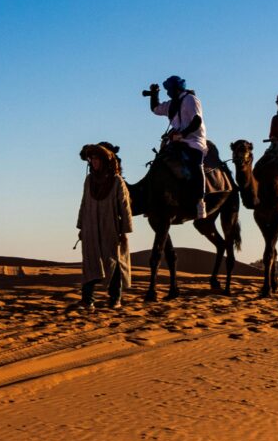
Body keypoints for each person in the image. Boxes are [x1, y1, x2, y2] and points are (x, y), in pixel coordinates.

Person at [76, 142, 133, 310]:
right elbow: (84, 203)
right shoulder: (89, 180)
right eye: (91, 159)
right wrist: (81, 227)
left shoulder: (116, 181)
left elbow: (125, 207)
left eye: (97, 158)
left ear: (104, 160)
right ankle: (87, 300)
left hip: (111, 227)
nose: (93, 162)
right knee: (90, 263)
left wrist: (125, 231)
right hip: (90, 227)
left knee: (113, 262)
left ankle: (115, 299)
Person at [144, 75, 208, 217]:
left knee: (196, 165)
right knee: (159, 162)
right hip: (175, 142)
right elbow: (155, 109)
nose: (167, 92)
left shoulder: (191, 100)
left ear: (176, 89)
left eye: (169, 89)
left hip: (193, 141)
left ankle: (200, 201)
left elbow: (197, 121)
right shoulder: (172, 104)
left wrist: (183, 134)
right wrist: (154, 94)